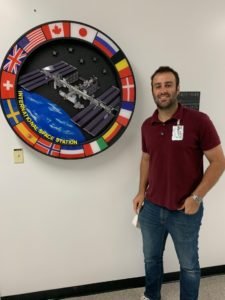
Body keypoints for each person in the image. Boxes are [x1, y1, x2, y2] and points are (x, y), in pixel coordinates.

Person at [133, 66, 225, 300]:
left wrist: (196, 197)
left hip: (185, 210)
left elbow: (218, 162)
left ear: (177, 89)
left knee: (189, 266)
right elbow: (146, 158)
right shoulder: (147, 125)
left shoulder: (199, 121)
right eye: (158, 86)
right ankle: (151, 296)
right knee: (151, 259)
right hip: (152, 209)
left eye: (168, 85)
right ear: (152, 91)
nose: (162, 90)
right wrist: (140, 192)